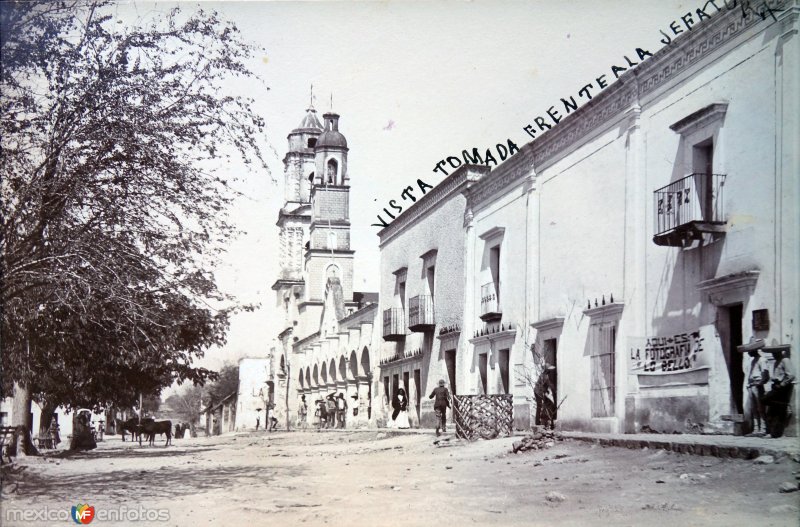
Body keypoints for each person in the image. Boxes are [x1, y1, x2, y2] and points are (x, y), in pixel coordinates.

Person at [761, 347, 795, 438]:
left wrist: (782, 384)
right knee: (771, 408)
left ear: (779, 352)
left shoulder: (785, 360)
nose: (773, 354)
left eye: (775, 352)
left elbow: (791, 375)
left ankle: (775, 433)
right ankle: (772, 432)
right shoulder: (776, 362)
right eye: (772, 352)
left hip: (783, 387)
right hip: (776, 386)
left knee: (775, 408)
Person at [745, 348, 769, 435]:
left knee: (760, 408)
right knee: (754, 408)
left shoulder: (762, 360)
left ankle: (763, 429)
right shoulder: (752, 361)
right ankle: (756, 429)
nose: (748, 353)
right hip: (752, 385)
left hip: (758, 386)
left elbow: (765, 375)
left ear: (754, 350)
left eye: (749, 351)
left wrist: (759, 383)